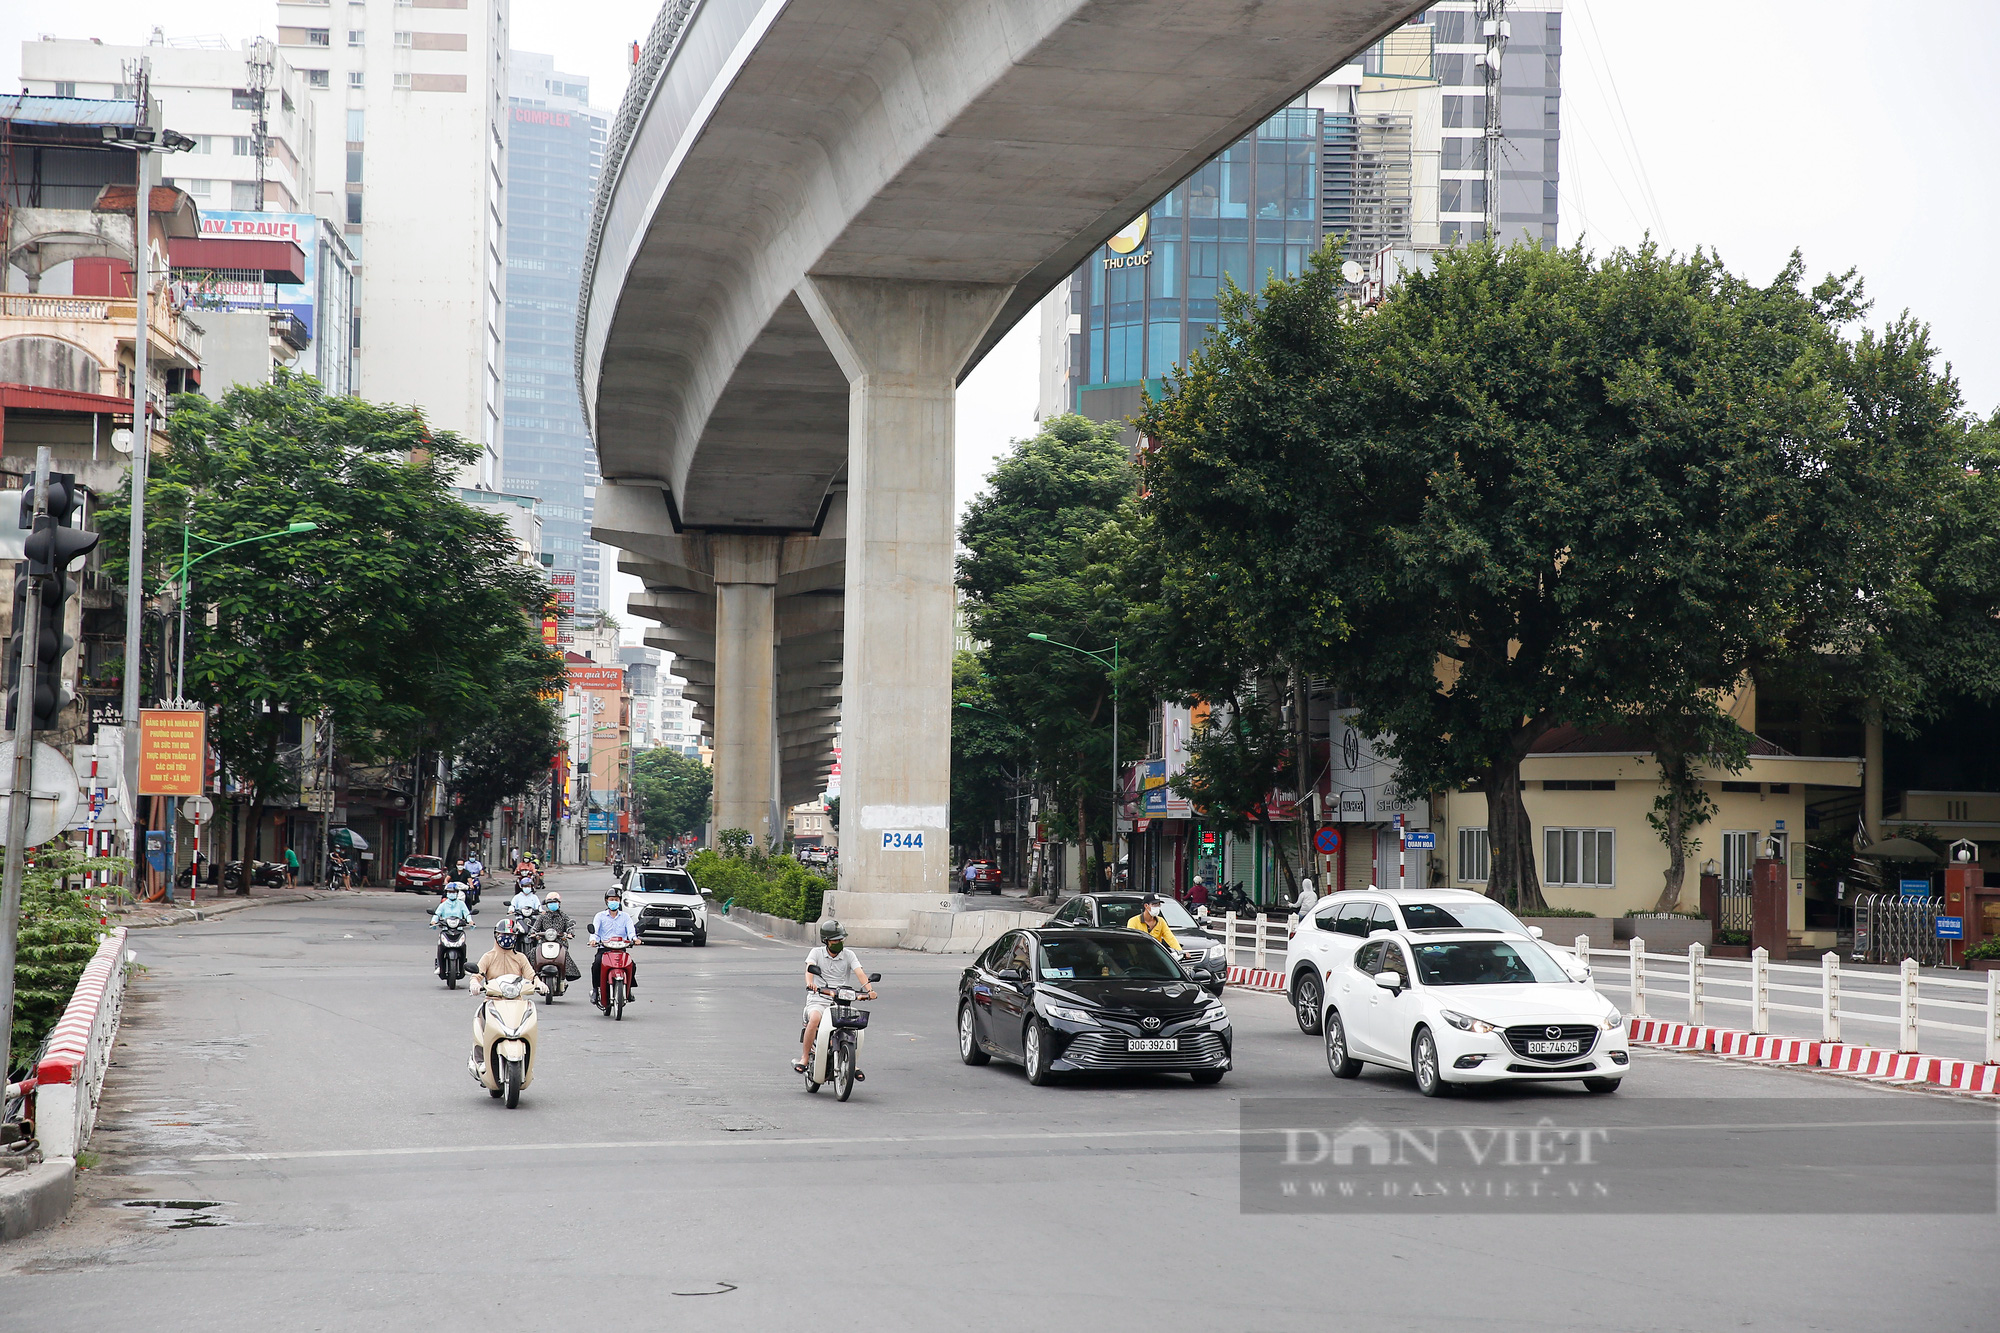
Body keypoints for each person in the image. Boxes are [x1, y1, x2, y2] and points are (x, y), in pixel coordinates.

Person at [797, 919, 876, 1074]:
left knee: (857, 1028)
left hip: (842, 1000)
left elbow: (859, 972)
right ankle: (805, 1057)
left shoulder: (849, 955)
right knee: (814, 1019)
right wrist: (810, 983)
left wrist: (869, 989)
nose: (839, 942)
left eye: (841, 939)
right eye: (835, 940)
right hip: (818, 998)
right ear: (826, 941)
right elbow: (809, 969)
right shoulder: (816, 953)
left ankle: (853, 1062)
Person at [588, 888, 639, 1001]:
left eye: (616, 899)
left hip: (621, 949)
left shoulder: (625, 917)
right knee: (596, 964)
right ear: (607, 901)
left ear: (620, 901)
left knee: (632, 965)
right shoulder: (600, 916)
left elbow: (631, 931)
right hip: (604, 949)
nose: (614, 901)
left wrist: (635, 939)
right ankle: (596, 990)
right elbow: (595, 932)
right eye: (611, 899)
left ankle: (628, 989)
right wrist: (593, 940)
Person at [535, 890, 583, 980]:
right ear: (546, 904)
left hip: (560, 942)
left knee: (565, 954)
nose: (552, 904)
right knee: (534, 952)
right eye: (550, 902)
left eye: (555, 902)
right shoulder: (542, 916)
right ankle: (532, 974)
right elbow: (535, 928)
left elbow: (569, 927)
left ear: (559, 903)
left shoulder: (564, 916)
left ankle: (567, 974)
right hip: (544, 942)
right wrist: (534, 934)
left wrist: (570, 933)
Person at [472, 918, 534, 983]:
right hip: (493, 992)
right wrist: (475, 984)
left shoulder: (521, 957)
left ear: (516, 937)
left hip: (515, 992)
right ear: (496, 935)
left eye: (511, 935)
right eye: (503, 934)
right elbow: (476, 976)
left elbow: (531, 976)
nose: (507, 937)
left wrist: (539, 984)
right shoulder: (488, 957)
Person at [431, 886, 474, 976]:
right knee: (440, 946)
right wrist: (433, 921)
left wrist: (470, 921)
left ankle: (463, 966)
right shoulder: (443, 904)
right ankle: (439, 966)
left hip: (458, 930)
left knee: (463, 947)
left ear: (457, 893)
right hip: (446, 930)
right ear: (447, 893)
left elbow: (467, 914)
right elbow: (437, 914)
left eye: (453, 892)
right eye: (449, 892)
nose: (451, 893)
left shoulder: (461, 904)